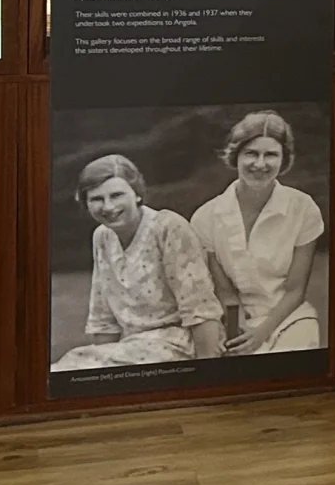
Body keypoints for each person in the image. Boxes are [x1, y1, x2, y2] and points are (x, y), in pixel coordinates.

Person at [52, 154, 224, 370]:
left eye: (117, 195)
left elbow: (200, 308)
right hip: (132, 348)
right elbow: (103, 316)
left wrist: (207, 371)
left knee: (68, 368)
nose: (108, 206)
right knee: (74, 366)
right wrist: (100, 366)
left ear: (137, 195)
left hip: (177, 345)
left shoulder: (167, 227)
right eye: (96, 199)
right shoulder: (102, 237)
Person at [191, 111, 326, 355]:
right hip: (233, 320)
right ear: (236, 155)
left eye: (271, 154)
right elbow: (225, 292)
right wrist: (238, 332)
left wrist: (261, 333)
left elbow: (295, 291)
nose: (260, 164)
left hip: (288, 317)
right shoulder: (205, 217)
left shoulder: (303, 209)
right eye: (251, 153)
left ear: (283, 159)